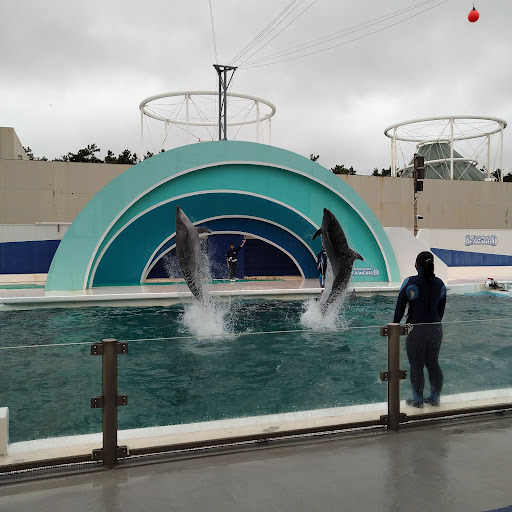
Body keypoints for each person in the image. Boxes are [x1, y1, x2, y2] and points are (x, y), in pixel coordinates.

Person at [393, 251, 447, 408]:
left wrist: (394, 327)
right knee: (433, 363)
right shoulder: (440, 284)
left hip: (416, 330)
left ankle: (418, 401)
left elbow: (399, 310)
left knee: (416, 366)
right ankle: (435, 399)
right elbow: (440, 311)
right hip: (436, 329)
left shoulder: (410, 282)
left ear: (416, 265)